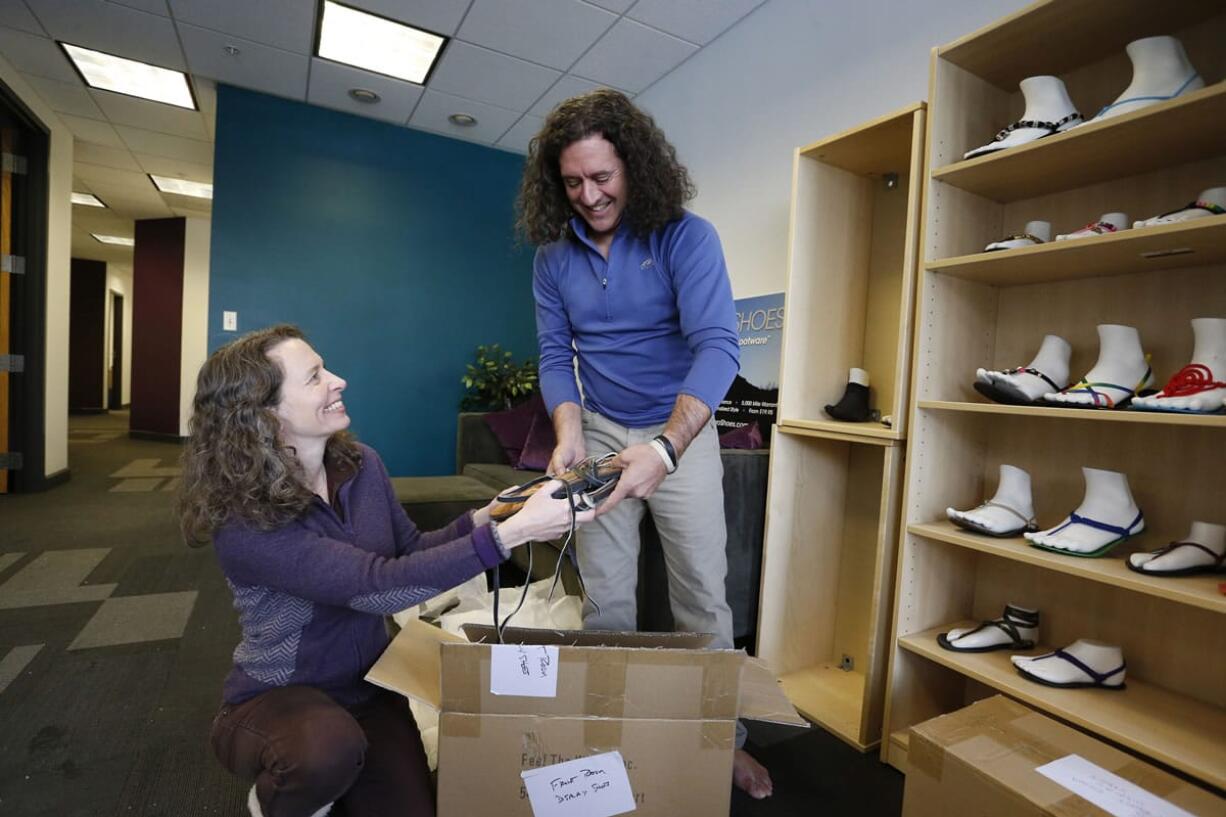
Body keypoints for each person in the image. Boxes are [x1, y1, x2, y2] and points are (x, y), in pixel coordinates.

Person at [178, 324, 590, 817]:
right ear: (265, 414)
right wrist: (511, 535)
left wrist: (488, 517)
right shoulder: (245, 519)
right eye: (314, 377)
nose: (338, 380)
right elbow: (377, 587)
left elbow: (409, 552)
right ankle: (280, 800)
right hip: (279, 698)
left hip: (370, 688)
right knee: (326, 752)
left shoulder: (360, 465)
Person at [517, 89, 773, 800]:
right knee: (605, 601)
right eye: (572, 182)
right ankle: (609, 738)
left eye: (603, 177)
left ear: (635, 166)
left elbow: (719, 344)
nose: (590, 195)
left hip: (680, 431)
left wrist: (665, 446)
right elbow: (551, 352)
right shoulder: (552, 257)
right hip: (598, 428)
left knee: (702, 598)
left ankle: (721, 744)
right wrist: (568, 431)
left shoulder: (686, 237)